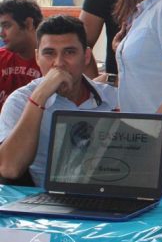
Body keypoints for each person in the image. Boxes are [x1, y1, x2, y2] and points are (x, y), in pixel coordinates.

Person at [0, 16, 118, 186]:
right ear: (37, 58)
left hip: (109, 197)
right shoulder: (20, 101)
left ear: (86, 57)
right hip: (47, 204)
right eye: (49, 53)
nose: (59, 63)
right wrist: (39, 97)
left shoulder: (113, 98)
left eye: (69, 52)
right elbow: (10, 168)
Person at [0, 0, 43, 110]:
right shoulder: (1, 58)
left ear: (29, 24)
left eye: (7, 26)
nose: (1, 33)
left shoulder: (51, 61)